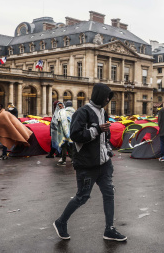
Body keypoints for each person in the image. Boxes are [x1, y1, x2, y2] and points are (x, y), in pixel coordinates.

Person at [53, 83, 127, 242]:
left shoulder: (103, 112)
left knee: (109, 193)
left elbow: (105, 136)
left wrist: (107, 149)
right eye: (107, 97)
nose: (108, 100)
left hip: (104, 163)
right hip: (87, 164)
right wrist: (97, 129)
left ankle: (109, 229)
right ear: (99, 95)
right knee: (82, 197)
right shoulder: (82, 112)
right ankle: (61, 222)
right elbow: (75, 135)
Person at [57, 101, 76, 166]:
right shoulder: (75, 112)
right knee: (71, 146)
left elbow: (59, 121)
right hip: (73, 132)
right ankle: (73, 160)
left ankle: (63, 160)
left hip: (64, 132)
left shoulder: (63, 112)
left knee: (64, 146)